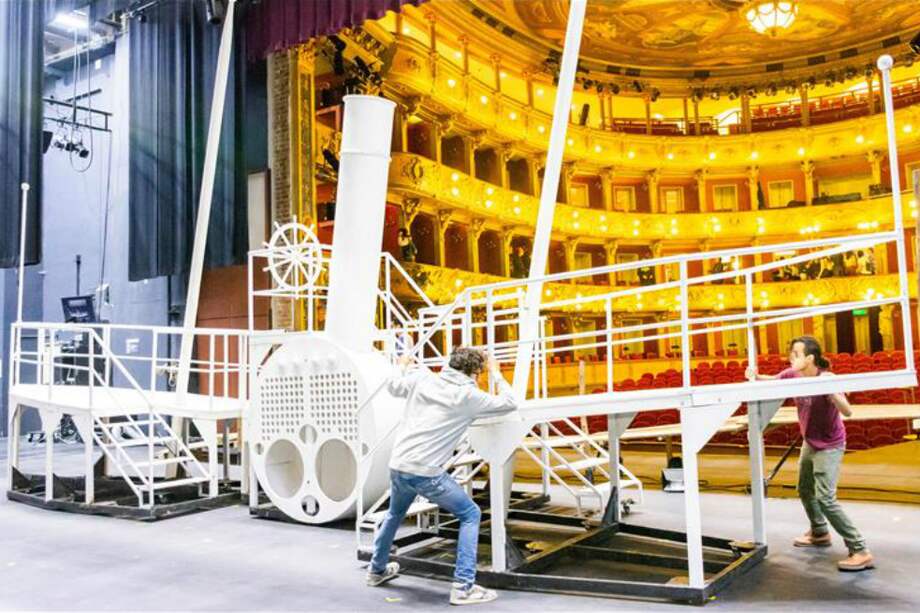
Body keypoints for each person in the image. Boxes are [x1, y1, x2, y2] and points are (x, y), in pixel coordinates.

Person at [366, 347, 519, 605]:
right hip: (425, 473)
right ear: (475, 373)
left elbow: (392, 385)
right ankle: (463, 587)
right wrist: (497, 373)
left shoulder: (422, 379)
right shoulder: (469, 396)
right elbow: (510, 402)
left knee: (394, 514)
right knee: (470, 514)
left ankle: (376, 570)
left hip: (399, 464)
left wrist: (401, 364)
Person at [746, 336, 873, 572]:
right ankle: (819, 532)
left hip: (830, 445)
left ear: (810, 358)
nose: (790, 357)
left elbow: (848, 411)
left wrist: (833, 394)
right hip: (809, 442)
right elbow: (773, 380)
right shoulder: (792, 374)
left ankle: (860, 549)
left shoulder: (826, 378)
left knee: (825, 498)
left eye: (796, 354)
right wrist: (754, 375)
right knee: (804, 489)